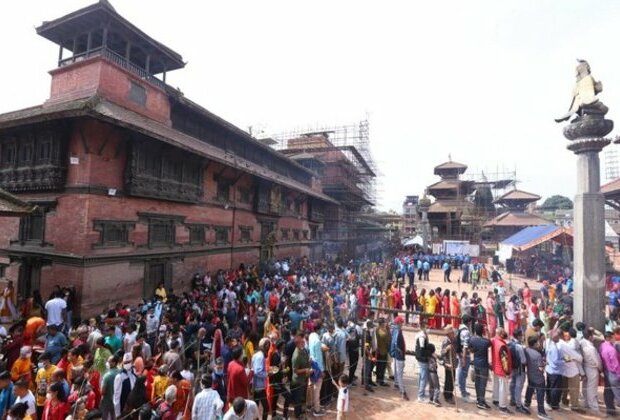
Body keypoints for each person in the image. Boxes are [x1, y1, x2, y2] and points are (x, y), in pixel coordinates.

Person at [524, 335, 550, 420]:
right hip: (539, 378)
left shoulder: (526, 350)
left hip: (530, 375)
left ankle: (527, 403)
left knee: (530, 389)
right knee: (540, 395)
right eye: (538, 342)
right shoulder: (538, 355)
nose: (539, 343)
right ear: (534, 344)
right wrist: (545, 364)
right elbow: (541, 368)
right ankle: (541, 412)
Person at [468, 323, 491, 410]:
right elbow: (490, 342)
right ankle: (481, 402)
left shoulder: (472, 339)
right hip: (483, 365)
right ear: (482, 331)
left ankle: (479, 399)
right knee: (482, 384)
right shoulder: (485, 341)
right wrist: (488, 333)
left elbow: (470, 349)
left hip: (476, 363)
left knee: (477, 382)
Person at [580, 327, 603, 413]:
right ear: (590, 337)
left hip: (585, 367)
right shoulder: (591, 348)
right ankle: (594, 407)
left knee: (585, 387)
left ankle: (586, 403)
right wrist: (601, 369)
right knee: (592, 389)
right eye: (592, 335)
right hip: (592, 369)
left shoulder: (582, 342)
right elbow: (597, 362)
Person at [491, 327, 512, 415]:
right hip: (501, 369)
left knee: (496, 385)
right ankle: (502, 406)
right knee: (503, 388)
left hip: (495, 367)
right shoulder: (501, 345)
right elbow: (504, 360)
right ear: (501, 334)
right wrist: (507, 372)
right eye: (503, 332)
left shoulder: (493, 340)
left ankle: (496, 400)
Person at [508, 329, 528, 414]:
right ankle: (518, 405)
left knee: (512, 384)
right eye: (522, 335)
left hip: (512, 368)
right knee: (518, 387)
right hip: (520, 369)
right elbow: (523, 361)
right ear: (519, 336)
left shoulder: (509, 343)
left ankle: (512, 400)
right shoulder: (519, 347)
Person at [291, 332, 310, 419]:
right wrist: (305, 370)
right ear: (298, 343)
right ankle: (297, 415)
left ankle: (299, 410)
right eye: (302, 341)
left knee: (301, 396)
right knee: (297, 399)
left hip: (303, 379)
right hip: (298, 381)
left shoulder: (302, 350)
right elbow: (295, 370)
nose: (303, 342)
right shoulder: (296, 355)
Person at [250, 338, 269, 420]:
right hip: (259, 386)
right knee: (266, 407)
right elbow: (258, 372)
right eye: (268, 346)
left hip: (256, 385)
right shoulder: (260, 356)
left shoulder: (256, 354)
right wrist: (267, 374)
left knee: (255, 407)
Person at [390, 316, 408, 400]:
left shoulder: (395, 330)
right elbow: (395, 343)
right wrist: (400, 352)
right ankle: (403, 392)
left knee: (397, 371)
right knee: (400, 374)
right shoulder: (397, 331)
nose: (402, 324)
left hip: (397, 355)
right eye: (401, 322)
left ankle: (396, 384)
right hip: (399, 356)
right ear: (398, 323)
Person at [112, 353, 136, 418]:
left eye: (129, 362)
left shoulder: (134, 371)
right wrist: (118, 414)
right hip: (123, 410)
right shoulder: (119, 377)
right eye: (125, 362)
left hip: (133, 409)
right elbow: (116, 397)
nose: (127, 364)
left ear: (132, 361)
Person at [455, 315, 472, 403]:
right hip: (464, 355)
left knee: (461, 372)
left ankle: (463, 389)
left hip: (459, 353)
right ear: (469, 322)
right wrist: (464, 358)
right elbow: (465, 346)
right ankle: (463, 393)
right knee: (463, 373)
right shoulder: (466, 332)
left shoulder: (460, 328)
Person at [34, 353, 56, 420]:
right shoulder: (40, 371)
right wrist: (36, 397)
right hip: (40, 401)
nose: (40, 363)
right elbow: (37, 385)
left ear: (47, 360)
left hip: (49, 400)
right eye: (40, 361)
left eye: (42, 361)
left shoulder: (55, 370)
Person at [440, 325, 457, 404]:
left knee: (453, 379)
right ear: (449, 334)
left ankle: (450, 393)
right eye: (452, 332)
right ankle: (447, 395)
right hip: (448, 363)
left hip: (453, 362)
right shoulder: (446, 341)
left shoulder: (453, 340)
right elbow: (442, 353)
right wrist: (446, 349)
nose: (453, 333)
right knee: (449, 380)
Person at [414, 318, 430, 402]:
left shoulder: (423, 334)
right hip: (422, 359)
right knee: (424, 377)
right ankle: (421, 395)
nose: (428, 327)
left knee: (422, 376)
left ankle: (421, 391)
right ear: (423, 326)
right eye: (427, 325)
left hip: (422, 358)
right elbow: (422, 349)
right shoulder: (421, 336)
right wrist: (428, 354)